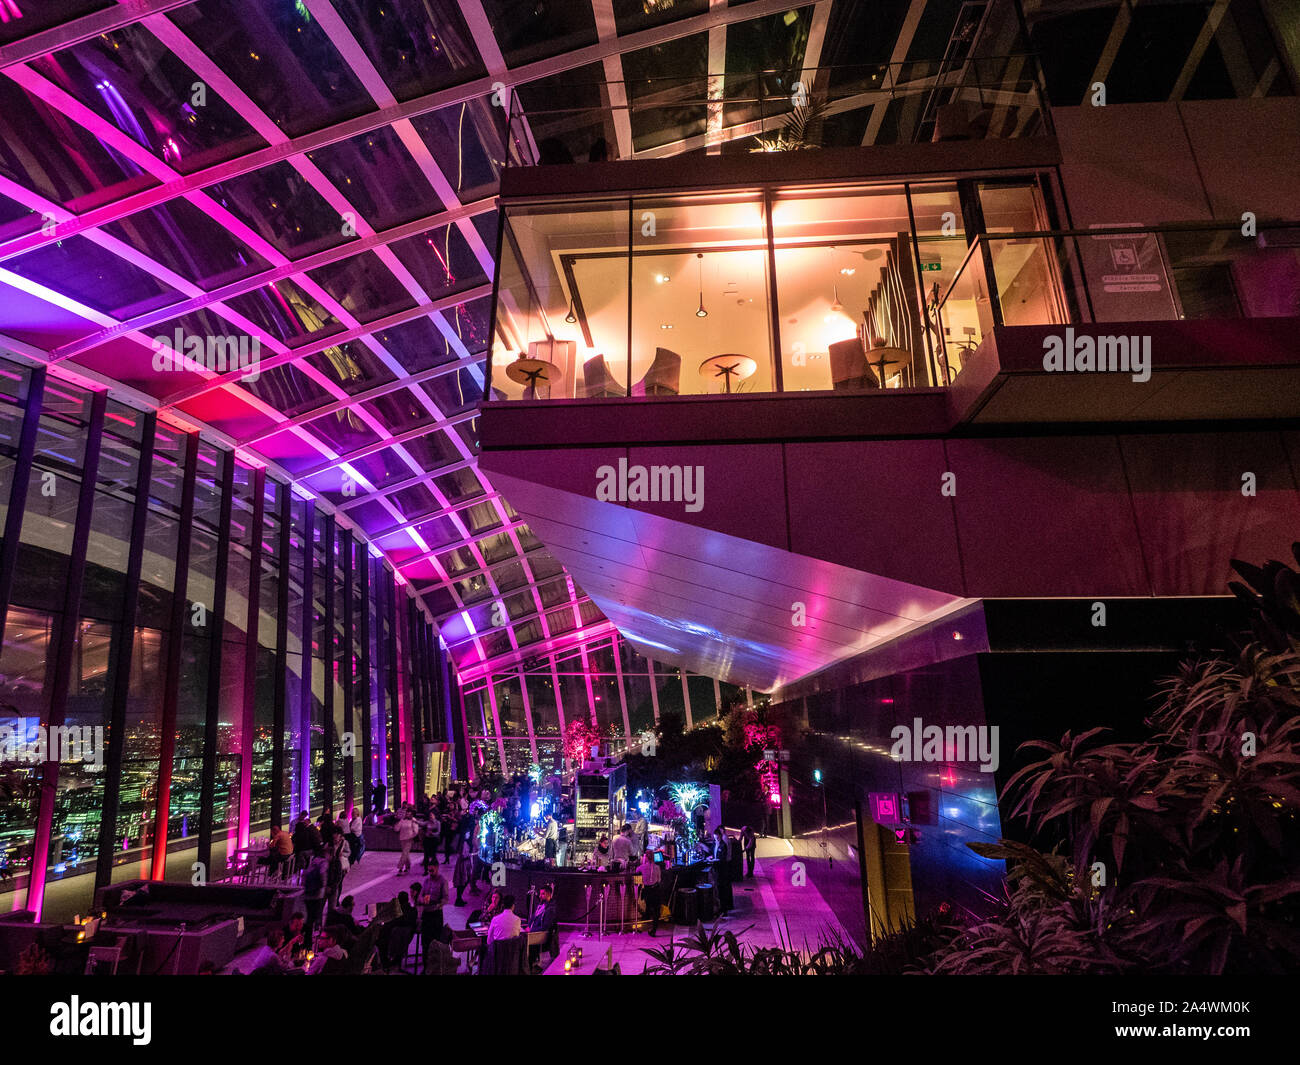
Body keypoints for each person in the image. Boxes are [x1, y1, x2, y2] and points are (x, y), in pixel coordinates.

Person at [420, 862, 450, 945]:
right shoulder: (426, 881)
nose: (430, 873)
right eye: (429, 871)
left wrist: (437, 905)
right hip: (426, 913)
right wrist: (422, 900)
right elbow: (421, 895)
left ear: (437, 868)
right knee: (425, 940)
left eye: (432, 870)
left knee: (435, 940)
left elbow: (446, 898)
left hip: (436, 914)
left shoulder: (442, 881)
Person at [637, 850, 663, 936]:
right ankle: (653, 930)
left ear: (646, 858)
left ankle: (642, 927)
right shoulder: (657, 867)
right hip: (655, 890)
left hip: (647, 891)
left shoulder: (642, 867)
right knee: (656, 910)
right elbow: (659, 880)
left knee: (647, 909)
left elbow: (637, 871)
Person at [712, 827, 734, 917]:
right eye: (715, 838)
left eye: (717, 838)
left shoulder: (723, 845)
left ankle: (724, 909)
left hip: (722, 870)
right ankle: (722, 908)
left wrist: (715, 860)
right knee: (720, 890)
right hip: (718, 870)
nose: (716, 839)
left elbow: (722, 858)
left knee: (723, 890)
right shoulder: (716, 844)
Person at [395, 809, 419, 875]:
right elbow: (397, 829)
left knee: (404, 853)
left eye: (409, 813)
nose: (408, 814)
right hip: (402, 838)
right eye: (407, 813)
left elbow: (416, 831)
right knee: (406, 853)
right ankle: (408, 866)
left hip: (409, 839)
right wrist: (397, 823)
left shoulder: (413, 820)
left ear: (411, 814)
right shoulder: (403, 820)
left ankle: (400, 867)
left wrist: (412, 836)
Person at [452, 836, 473, 906]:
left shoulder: (464, 842)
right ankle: (458, 899)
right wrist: (470, 855)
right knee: (462, 881)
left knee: (462, 881)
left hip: (464, 864)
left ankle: (459, 898)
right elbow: (463, 855)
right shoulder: (464, 843)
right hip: (463, 864)